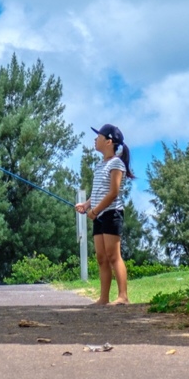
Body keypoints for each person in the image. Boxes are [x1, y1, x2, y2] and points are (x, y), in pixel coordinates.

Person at [76, 124, 135, 305]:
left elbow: (113, 193)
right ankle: (103, 298)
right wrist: (86, 205)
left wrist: (95, 211)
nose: (95, 140)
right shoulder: (100, 164)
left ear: (109, 141)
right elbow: (98, 192)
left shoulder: (116, 163)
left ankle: (123, 296)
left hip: (111, 213)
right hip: (100, 214)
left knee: (113, 255)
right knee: (101, 257)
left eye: (98, 137)